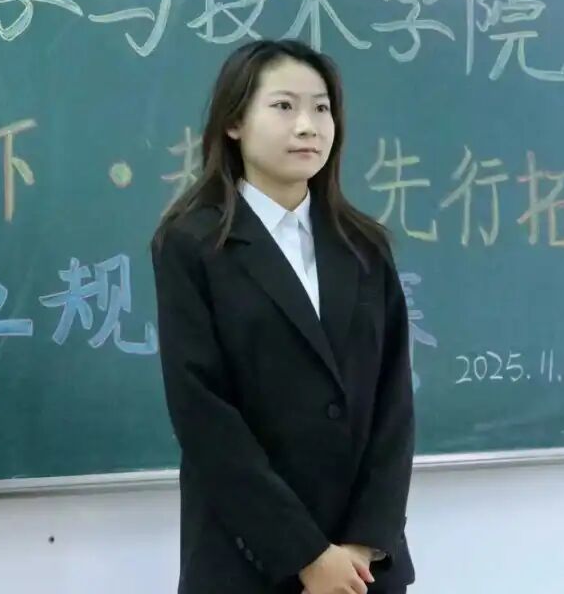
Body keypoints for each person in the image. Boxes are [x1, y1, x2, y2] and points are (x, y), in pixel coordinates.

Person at [150, 38, 416, 594]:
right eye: (283, 106)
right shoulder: (193, 244)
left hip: (363, 569)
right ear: (234, 123)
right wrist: (307, 556)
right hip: (247, 562)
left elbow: (393, 402)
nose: (307, 126)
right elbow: (203, 414)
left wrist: (365, 542)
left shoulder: (364, 246)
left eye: (321, 108)